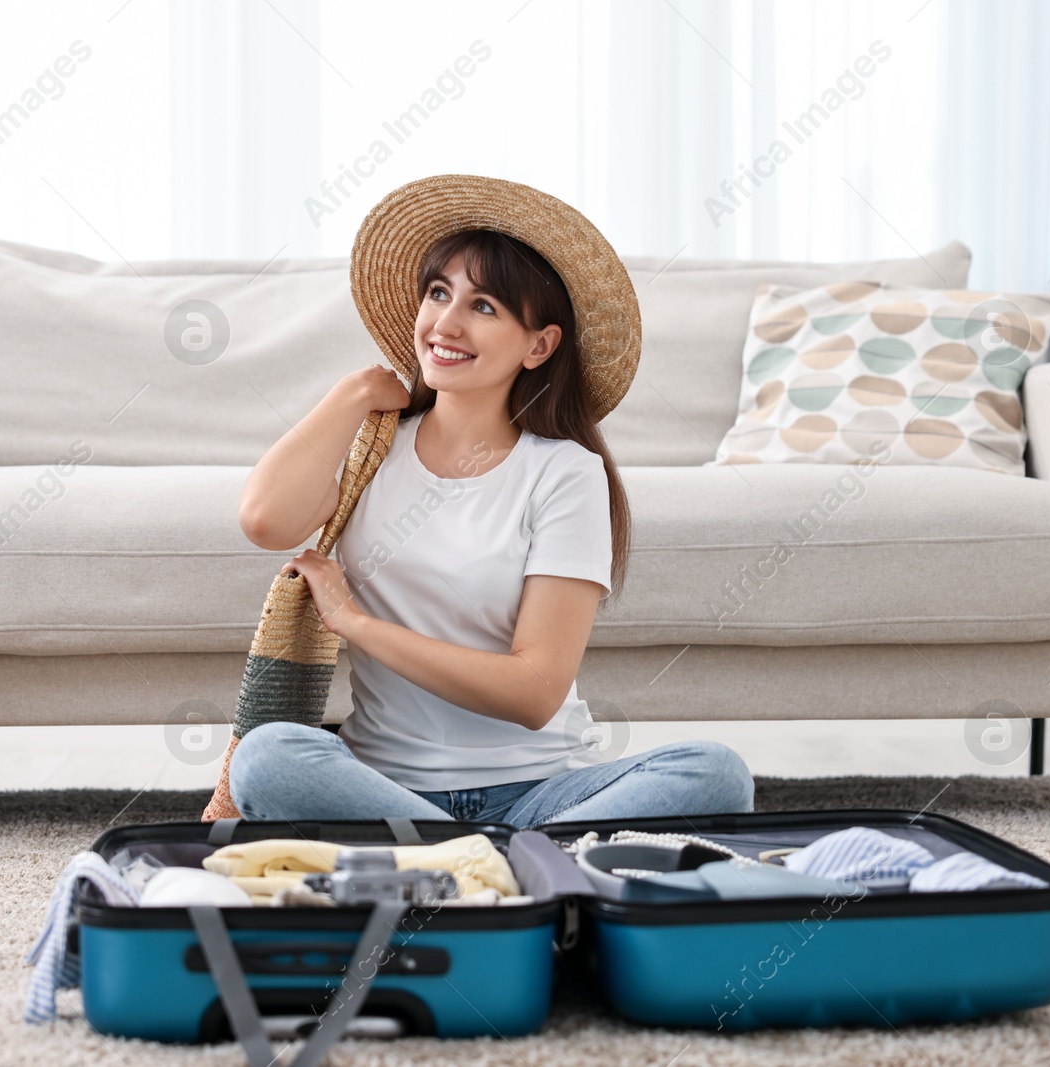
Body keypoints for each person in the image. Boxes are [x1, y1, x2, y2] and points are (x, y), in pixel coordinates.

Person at [229, 174, 753, 828]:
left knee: (714, 771)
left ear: (540, 345)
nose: (445, 322)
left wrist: (357, 622)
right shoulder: (376, 447)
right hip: (389, 791)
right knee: (267, 756)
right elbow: (264, 518)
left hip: (541, 792)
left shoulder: (564, 472)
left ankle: (464, 861)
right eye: (438, 293)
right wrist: (351, 394)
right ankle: (507, 860)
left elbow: (535, 692)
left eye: (484, 307)